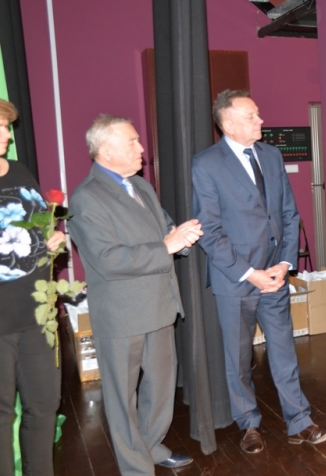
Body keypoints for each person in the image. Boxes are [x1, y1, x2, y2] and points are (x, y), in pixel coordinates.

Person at [192, 90, 326, 454]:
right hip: (236, 280)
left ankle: (299, 422)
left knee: (284, 351)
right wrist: (250, 273)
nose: (261, 120)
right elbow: (210, 231)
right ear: (228, 124)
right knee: (239, 359)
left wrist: (284, 264)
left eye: (258, 114)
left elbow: (288, 213)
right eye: (252, 116)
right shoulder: (207, 164)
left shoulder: (271, 155)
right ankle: (249, 424)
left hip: (275, 275)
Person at [68, 115, 201, 475]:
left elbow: (163, 226)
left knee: (160, 387)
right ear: (106, 150)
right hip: (122, 315)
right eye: (132, 142)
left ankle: (152, 446)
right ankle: (136, 468)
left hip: (159, 305)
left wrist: (181, 235)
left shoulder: (141, 186)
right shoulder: (86, 198)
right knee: (122, 397)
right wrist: (166, 245)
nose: (142, 148)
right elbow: (108, 260)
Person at [0, 99, 65, 476]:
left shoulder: (21, 172)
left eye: (6, 127)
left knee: (43, 406)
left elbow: (42, 228)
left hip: (37, 316)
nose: (7, 135)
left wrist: (53, 238)